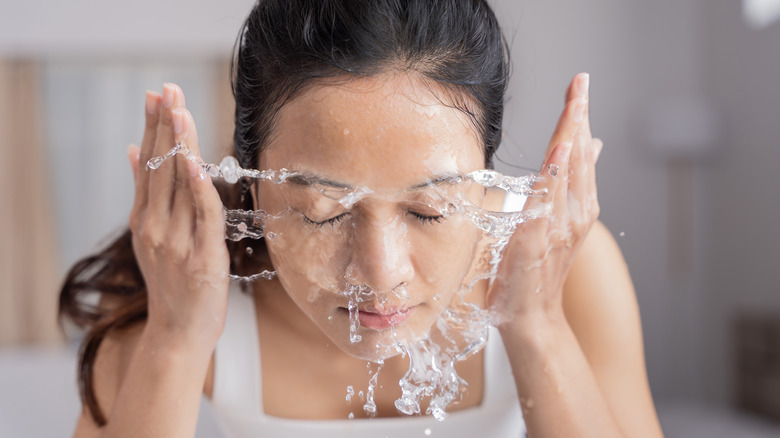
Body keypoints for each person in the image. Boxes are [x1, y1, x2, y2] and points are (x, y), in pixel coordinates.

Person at [59, 0, 664, 436]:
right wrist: (175, 338)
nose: (380, 273)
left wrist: (536, 323)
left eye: (431, 209)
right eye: (324, 213)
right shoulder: (178, 289)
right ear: (253, 186)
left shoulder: (565, 264)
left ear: (485, 172)